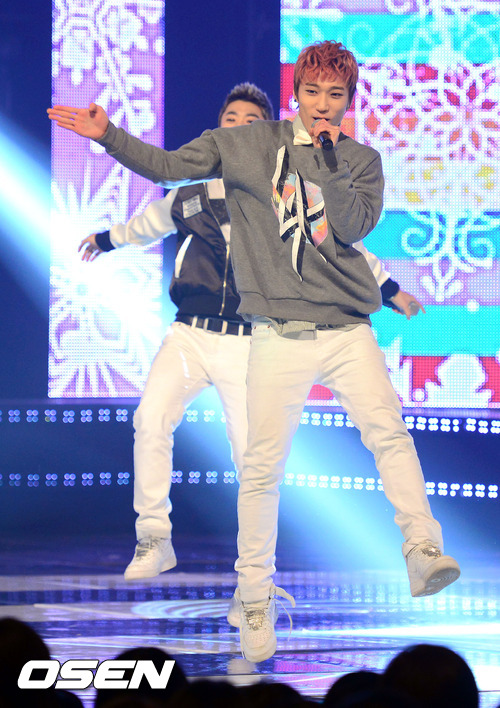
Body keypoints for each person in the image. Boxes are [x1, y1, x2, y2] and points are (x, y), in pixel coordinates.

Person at [48, 40, 460, 664]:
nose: (323, 105)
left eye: (336, 96)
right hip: (274, 333)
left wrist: (327, 163)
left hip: (347, 330)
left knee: (389, 434)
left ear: (350, 101)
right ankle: (255, 597)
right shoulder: (246, 146)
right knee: (260, 468)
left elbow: (350, 230)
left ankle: (422, 550)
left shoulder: (361, 160)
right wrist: (109, 135)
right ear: (296, 93)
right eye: (312, 92)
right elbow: (167, 168)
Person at [77, 82, 420, 582]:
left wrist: (390, 290)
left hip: (248, 340)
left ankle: (256, 578)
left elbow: (343, 248)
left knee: (252, 457)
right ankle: (153, 537)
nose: (239, 127)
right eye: (230, 119)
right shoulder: (187, 195)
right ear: (219, 130)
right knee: (151, 419)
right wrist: (105, 239)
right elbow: (143, 225)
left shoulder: (279, 187)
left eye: (251, 121)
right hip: (189, 334)